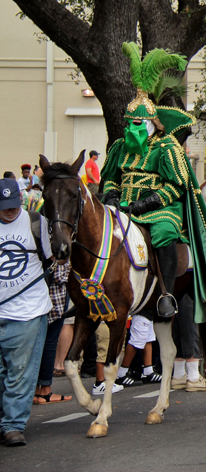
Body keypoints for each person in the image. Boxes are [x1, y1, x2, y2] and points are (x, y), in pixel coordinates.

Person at [99, 42, 206, 320]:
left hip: (159, 209)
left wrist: (145, 203)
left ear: (153, 122)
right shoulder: (119, 148)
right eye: (129, 123)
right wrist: (112, 196)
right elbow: (111, 178)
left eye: (139, 124)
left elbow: (175, 186)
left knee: (163, 233)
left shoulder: (167, 147)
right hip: (121, 206)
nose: (133, 129)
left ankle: (166, 294)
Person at [0, 177, 51, 446]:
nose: (10, 210)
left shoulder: (35, 222)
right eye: (4, 206)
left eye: (13, 204)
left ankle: (12, 425)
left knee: (19, 372)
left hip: (27, 311)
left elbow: (51, 257)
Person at [33, 261, 73, 404]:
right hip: (55, 299)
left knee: (38, 344)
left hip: (37, 299)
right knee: (50, 343)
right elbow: (59, 276)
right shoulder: (58, 244)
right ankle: (45, 390)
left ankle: (35, 389)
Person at [115, 314, 162, 386]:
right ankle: (121, 374)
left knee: (148, 338)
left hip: (149, 312)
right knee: (136, 341)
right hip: (141, 311)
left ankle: (148, 371)